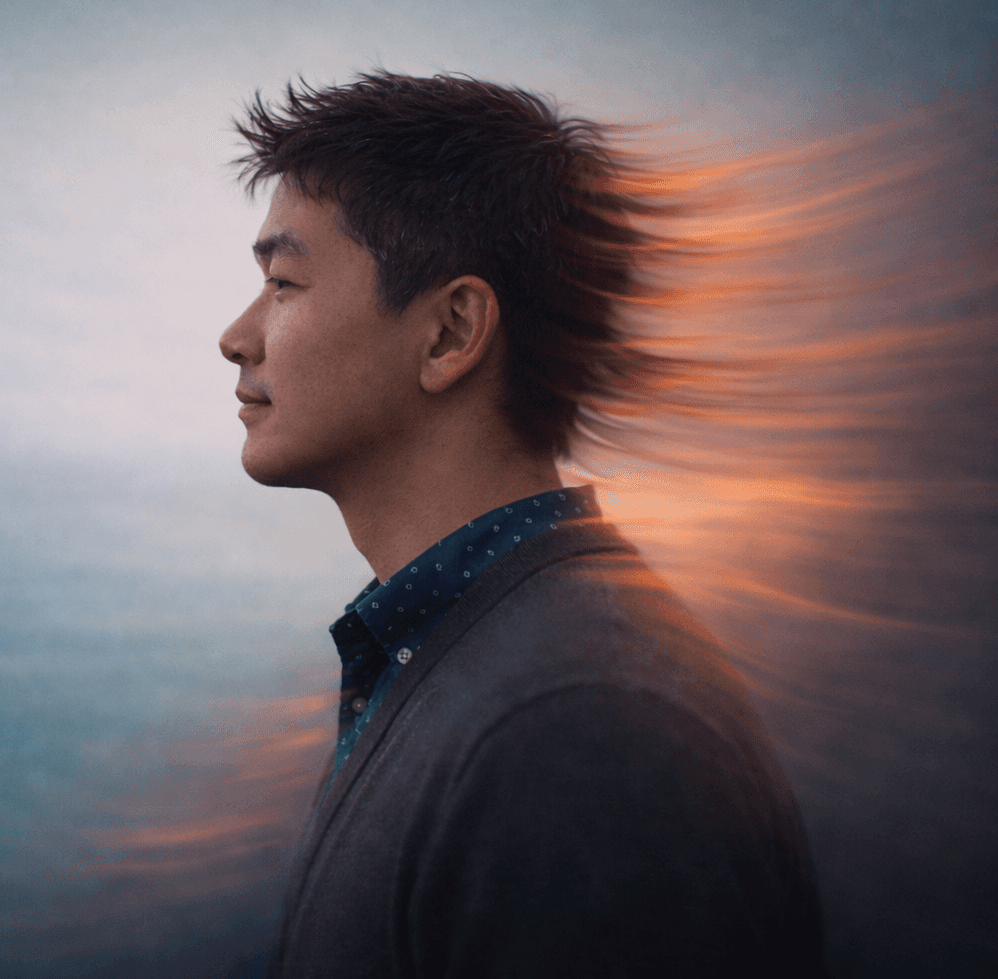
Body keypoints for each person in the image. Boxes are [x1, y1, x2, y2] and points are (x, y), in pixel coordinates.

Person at [218, 72, 826, 978]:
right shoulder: (475, 658)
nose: (238, 334)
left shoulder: (578, 730)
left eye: (284, 282)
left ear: (450, 332)